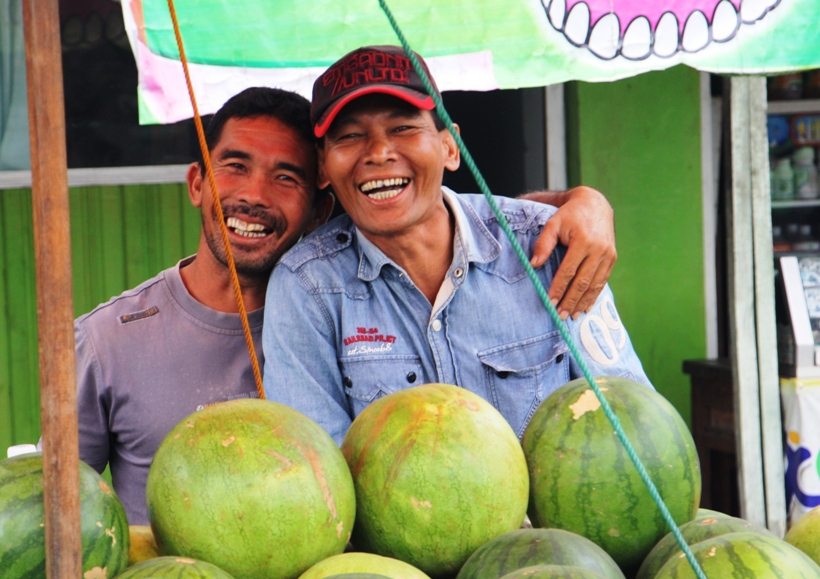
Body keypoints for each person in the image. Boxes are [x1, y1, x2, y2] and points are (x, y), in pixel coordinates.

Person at [75, 86, 620, 524]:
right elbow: (52, 508)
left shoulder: (361, 299)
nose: (255, 195)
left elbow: (625, 423)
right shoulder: (109, 339)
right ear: (197, 182)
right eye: (235, 166)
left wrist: (576, 205)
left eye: (286, 176)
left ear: (320, 207)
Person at [262, 46, 650, 445]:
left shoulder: (549, 246)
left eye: (403, 128)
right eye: (350, 136)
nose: (378, 153)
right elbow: (322, 468)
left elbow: (629, 422)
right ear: (324, 167)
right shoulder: (307, 288)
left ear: (450, 147)